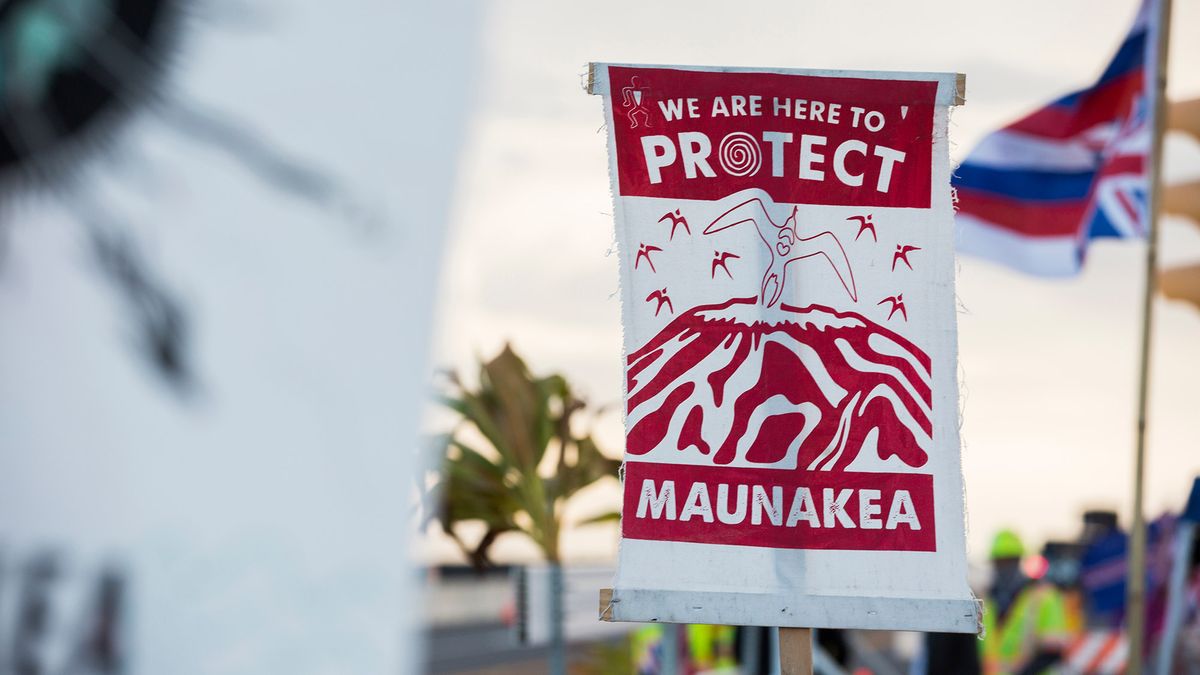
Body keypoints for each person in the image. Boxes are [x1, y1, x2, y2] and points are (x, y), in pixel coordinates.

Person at [980, 529, 1072, 675]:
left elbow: (1053, 650)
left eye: (1008, 561)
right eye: (999, 562)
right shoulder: (986, 601)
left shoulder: (1044, 597)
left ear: (1018, 561)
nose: (1003, 568)